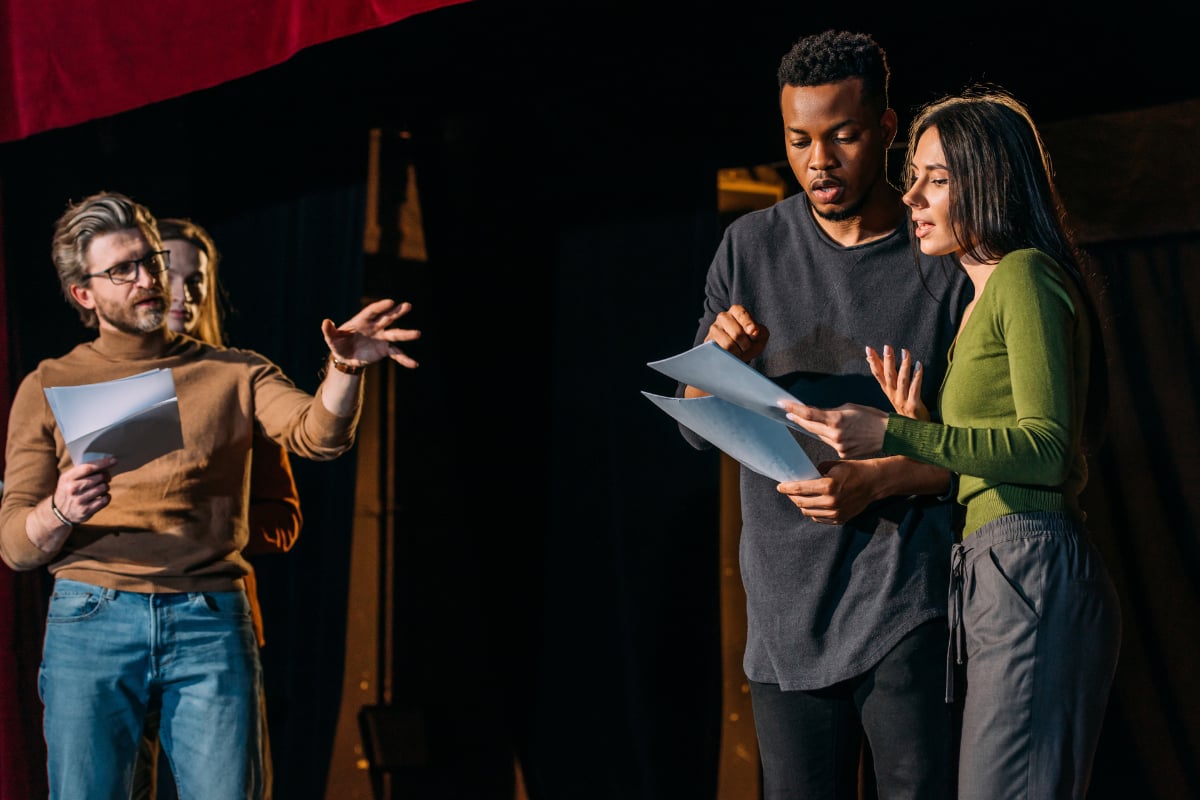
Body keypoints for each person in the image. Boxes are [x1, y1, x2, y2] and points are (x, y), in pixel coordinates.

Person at [0, 190, 420, 800]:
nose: (148, 279)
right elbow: (16, 546)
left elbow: (318, 437)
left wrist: (345, 370)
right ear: (83, 294)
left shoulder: (234, 371)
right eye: (123, 270)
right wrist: (58, 510)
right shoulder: (48, 382)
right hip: (90, 618)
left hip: (208, 619)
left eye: (150, 261)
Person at [783, 88, 1123, 799]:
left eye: (937, 178)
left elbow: (1047, 449)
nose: (912, 197)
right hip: (995, 568)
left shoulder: (1024, 276)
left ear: (991, 179)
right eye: (915, 177)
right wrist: (922, 431)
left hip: (1030, 559)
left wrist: (899, 430)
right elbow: (980, 446)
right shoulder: (976, 302)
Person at [675, 30, 971, 799]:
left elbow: (980, 449)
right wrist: (719, 369)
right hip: (783, 611)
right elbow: (690, 425)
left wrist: (879, 480)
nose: (819, 161)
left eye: (841, 136)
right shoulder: (749, 246)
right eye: (799, 139)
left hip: (907, 595)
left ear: (885, 127)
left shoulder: (937, 252)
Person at [129, 217, 303, 799]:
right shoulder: (106, 383)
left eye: (197, 279)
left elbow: (284, 519)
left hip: (212, 623)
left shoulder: (239, 382)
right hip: (117, 622)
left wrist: (205, 525)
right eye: (167, 273)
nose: (185, 292)